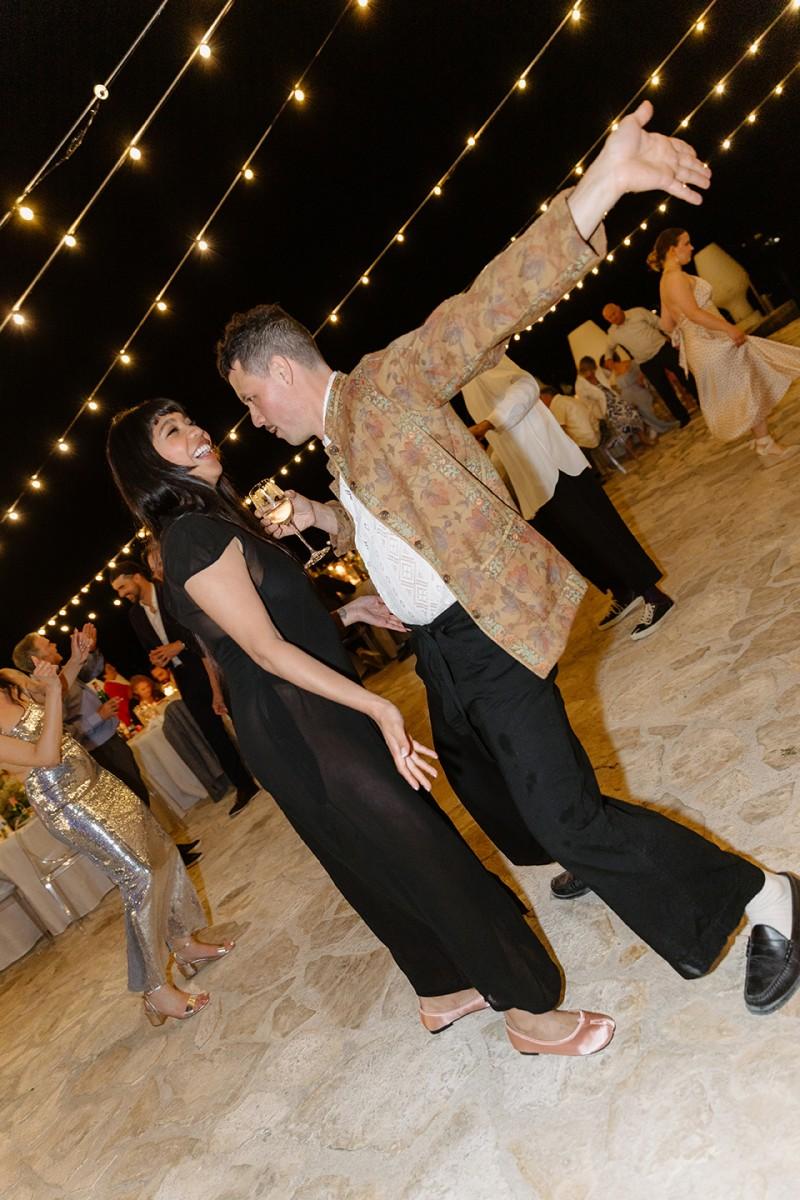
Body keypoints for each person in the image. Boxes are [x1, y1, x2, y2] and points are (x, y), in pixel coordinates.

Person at [216, 102, 800, 1020]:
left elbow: (482, 309)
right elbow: (393, 518)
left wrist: (601, 184)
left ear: (281, 372)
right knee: (483, 781)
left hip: (486, 631)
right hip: (441, 646)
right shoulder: (343, 439)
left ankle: (767, 899)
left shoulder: (381, 387)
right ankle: (566, 838)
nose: (255, 419)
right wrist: (333, 528)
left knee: (566, 813)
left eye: (251, 399)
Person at [106, 400, 620, 1059]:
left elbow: (252, 635)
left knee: (380, 856)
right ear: (149, 466)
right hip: (298, 722)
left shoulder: (210, 523)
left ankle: (443, 988)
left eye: (188, 418)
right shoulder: (191, 537)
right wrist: (379, 709)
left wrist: (347, 615)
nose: (197, 431)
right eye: (173, 431)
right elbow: (260, 651)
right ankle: (528, 1010)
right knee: (421, 849)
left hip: (300, 712)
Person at [0, 634, 232, 1025]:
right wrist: (52, 693)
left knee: (161, 850)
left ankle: (184, 944)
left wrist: (75, 660)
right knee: (139, 877)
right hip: (67, 803)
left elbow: (54, 691)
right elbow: (45, 754)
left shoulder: (9, 681)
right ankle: (154, 989)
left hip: (94, 778)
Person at [462, 356, 675, 639]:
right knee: (571, 545)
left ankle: (653, 595)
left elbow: (526, 385)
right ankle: (622, 589)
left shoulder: (483, 358)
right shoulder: (463, 384)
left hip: (555, 465)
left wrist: (488, 423)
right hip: (531, 481)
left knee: (599, 532)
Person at [12, 629, 200, 867]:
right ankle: (166, 858)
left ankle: (169, 850)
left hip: (108, 739)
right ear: (36, 659)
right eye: (47, 645)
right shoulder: (45, 691)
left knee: (138, 798)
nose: (54, 645)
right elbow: (62, 731)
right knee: (133, 803)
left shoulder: (60, 676)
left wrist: (90, 651)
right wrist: (98, 717)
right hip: (98, 750)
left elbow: (91, 671)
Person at [110, 558, 259, 817]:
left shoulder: (170, 591)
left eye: (123, 587)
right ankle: (244, 785)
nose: (122, 595)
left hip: (208, 664)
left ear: (136, 577)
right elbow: (152, 647)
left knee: (242, 718)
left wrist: (178, 646)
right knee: (212, 733)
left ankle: (271, 765)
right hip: (184, 677)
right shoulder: (135, 615)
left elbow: (198, 625)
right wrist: (158, 659)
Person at [650, 228, 800, 466]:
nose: (691, 247)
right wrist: (728, 328)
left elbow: (666, 324)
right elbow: (694, 313)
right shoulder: (675, 278)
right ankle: (766, 446)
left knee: (746, 387)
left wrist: (684, 331)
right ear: (672, 249)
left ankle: (764, 444)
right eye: (686, 243)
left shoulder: (665, 281)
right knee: (748, 385)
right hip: (709, 343)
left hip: (704, 343)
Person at [602, 300, 694, 426]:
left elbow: (659, 323)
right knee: (664, 391)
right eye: (609, 318)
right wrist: (608, 358)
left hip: (662, 349)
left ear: (618, 308)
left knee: (685, 375)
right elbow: (609, 348)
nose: (613, 318)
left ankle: (702, 401)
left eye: (613, 313)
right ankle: (683, 417)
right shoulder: (612, 332)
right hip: (646, 363)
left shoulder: (638, 312)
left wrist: (674, 337)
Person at [576, 356, 653, 447]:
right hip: (605, 408)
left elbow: (609, 373)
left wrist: (614, 364)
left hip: (615, 400)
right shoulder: (580, 385)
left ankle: (642, 438)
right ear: (583, 370)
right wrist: (600, 414)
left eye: (593, 370)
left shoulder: (598, 371)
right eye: (590, 371)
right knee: (620, 421)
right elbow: (587, 405)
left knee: (632, 412)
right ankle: (630, 446)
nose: (592, 373)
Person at [602, 352, 678, 434]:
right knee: (628, 409)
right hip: (626, 396)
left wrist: (641, 379)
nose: (606, 367)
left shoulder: (629, 363)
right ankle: (650, 429)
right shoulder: (613, 374)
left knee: (642, 406)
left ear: (611, 360)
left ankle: (660, 425)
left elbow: (642, 373)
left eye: (606, 363)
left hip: (638, 390)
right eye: (604, 365)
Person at [541, 384, 603, 451]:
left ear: (547, 396)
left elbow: (560, 431)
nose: (540, 404)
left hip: (585, 441)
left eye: (541, 399)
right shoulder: (565, 399)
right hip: (595, 433)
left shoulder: (556, 404)